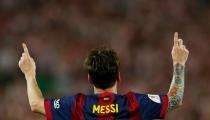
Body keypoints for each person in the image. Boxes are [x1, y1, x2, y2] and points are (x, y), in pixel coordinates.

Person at [18, 32, 189, 120]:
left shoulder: (78, 105)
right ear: (119, 77)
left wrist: (29, 74)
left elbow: (36, 104)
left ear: (89, 79)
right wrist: (179, 63)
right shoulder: (134, 104)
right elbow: (175, 100)